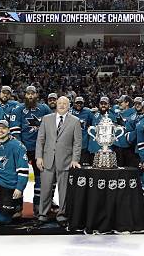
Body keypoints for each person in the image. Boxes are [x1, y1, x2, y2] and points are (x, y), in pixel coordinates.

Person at [35, 96, 82, 227]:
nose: (62, 105)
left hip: (66, 161)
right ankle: (43, 214)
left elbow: (77, 143)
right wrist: (39, 157)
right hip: (47, 160)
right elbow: (40, 140)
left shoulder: (75, 121)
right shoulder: (46, 119)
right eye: (59, 103)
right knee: (45, 189)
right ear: (56, 104)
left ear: (69, 106)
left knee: (64, 190)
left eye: (64, 103)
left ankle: (62, 215)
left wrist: (75, 159)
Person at [9, 85, 52, 217]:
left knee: (40, 178)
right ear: (25, 95)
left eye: (33, 93)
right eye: (28, 94)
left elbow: (50, 129)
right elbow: (15, 130)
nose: (30, 96)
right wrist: (20, 149)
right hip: (22, 149)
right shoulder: (18, 109)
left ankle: (39, 206)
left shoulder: (44, 108)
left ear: (36, 95)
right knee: (18, 177)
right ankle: (17, 207)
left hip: (40, 150)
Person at [71, 96, 94, 166]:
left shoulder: (88, 112)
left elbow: (91, 124)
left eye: (81, 103)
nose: (79, 105)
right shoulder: (69, 111)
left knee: (83, 166)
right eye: (77, 103)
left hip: (84, 143)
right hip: (72, 143)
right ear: (74, 103)